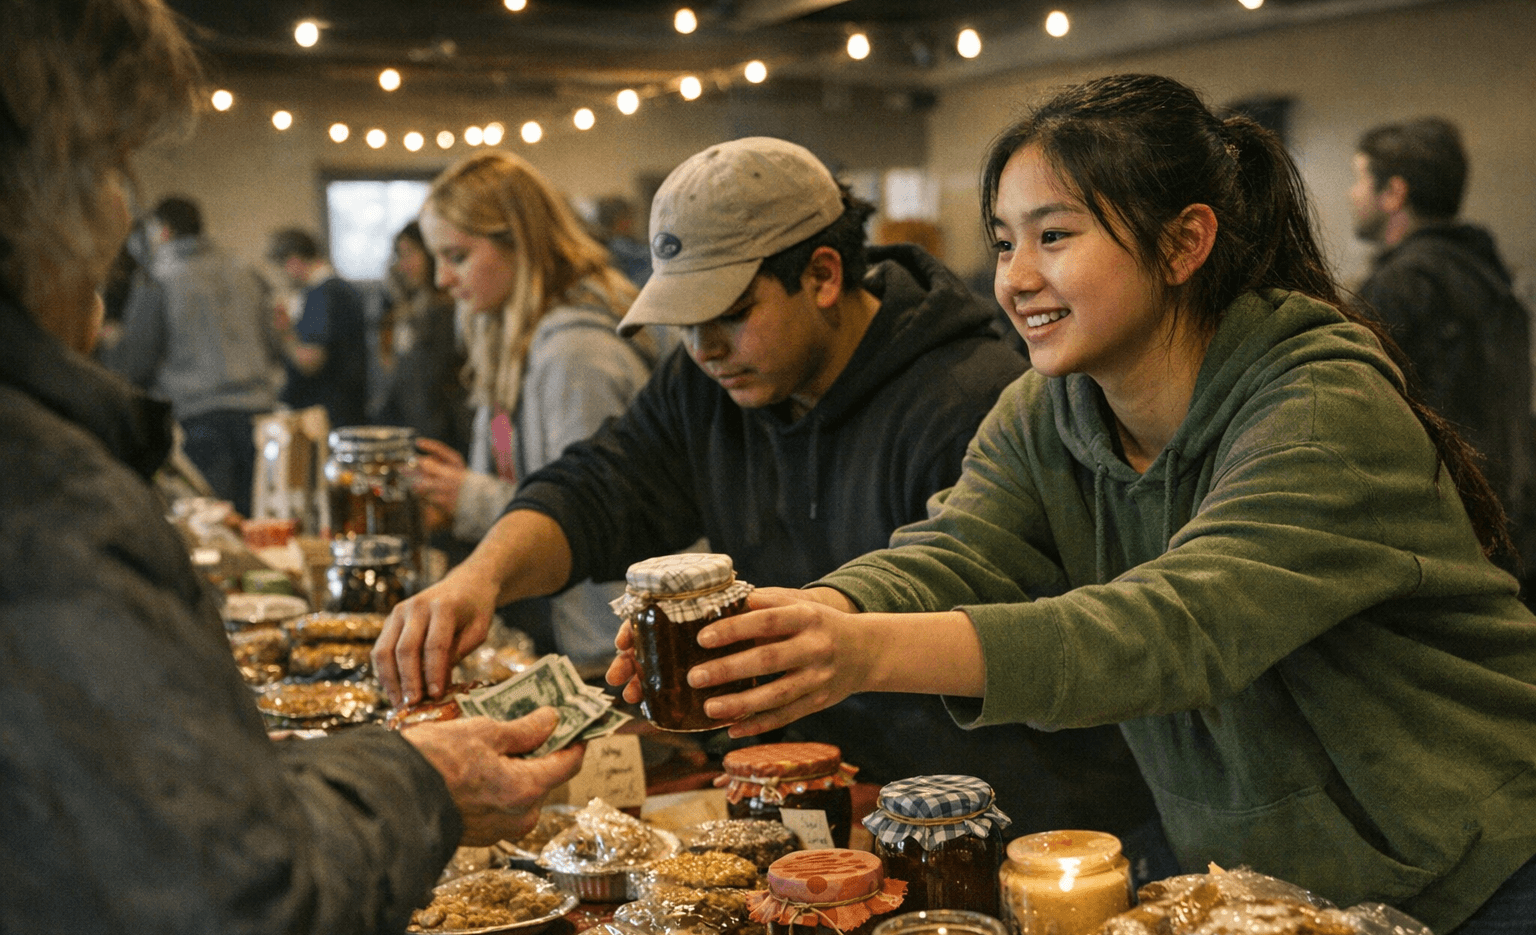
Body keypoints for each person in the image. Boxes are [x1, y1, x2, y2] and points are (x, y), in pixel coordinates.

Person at [647, 76, 1536, 935]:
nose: (1016, 279)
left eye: (1056, 236)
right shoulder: (1049, 410)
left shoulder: (1316, 406)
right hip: (1274, 896)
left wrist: (867, 652)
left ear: (1185, 242)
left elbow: (1175, 626)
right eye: (1003, 243)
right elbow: (957, 549)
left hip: (1483, 877)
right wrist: (815, 616)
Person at [0, 0, 584, 935]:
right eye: (110, 167)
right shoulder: (45, 501)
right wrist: (417, 782)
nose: (112, 224)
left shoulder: (567, 345)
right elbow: (228, 924)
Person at [376, 136, 1168, 859]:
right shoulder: (709, 380)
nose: (703, 348)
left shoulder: (971, 398)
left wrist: (834, 646)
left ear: (823, 274)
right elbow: (603, 484)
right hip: (806, 793)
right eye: (684, 322)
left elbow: (995, 612)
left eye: (729, 314)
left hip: (993, 822)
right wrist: (479, 576)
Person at [408, 150, 662, 675]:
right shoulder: (513, 335)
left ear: (519, 243)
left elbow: (595, 516)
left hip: (609, 651)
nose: (442, 280)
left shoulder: (577, 355)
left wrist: (469, 497)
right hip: (567, 635)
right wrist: (455, 496)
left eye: (456, 256)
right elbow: (526, 479)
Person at [1350, 117, 1535, 593]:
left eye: (1359, 178)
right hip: (1506, 534)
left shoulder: (1399, 287)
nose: (1353, 194)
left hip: (1436, 550)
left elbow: (1358, 420)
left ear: (1394, 192)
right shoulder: (1492, 282)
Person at [100, 195, 283, 516]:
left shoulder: (158, 278)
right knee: (257, 523)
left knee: (215, 526)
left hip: (202, 416)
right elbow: (274, 344)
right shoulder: (244, 271)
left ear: (163, 231)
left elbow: (137, 362)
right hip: (260, 414)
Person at [373, 220, 470, 456]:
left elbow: (436, 384)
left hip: (441, 442)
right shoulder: (411, 309)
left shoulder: (448, 310)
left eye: (410, 254)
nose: (403, 266)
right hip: (412, 437)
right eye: (399, 256)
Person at [267, 226, 370, 428]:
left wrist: (285, 331)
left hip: (328, 412)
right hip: (348, 406)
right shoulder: (341, 289)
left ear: (294, 261)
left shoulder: (320, 296)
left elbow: (310, 360)